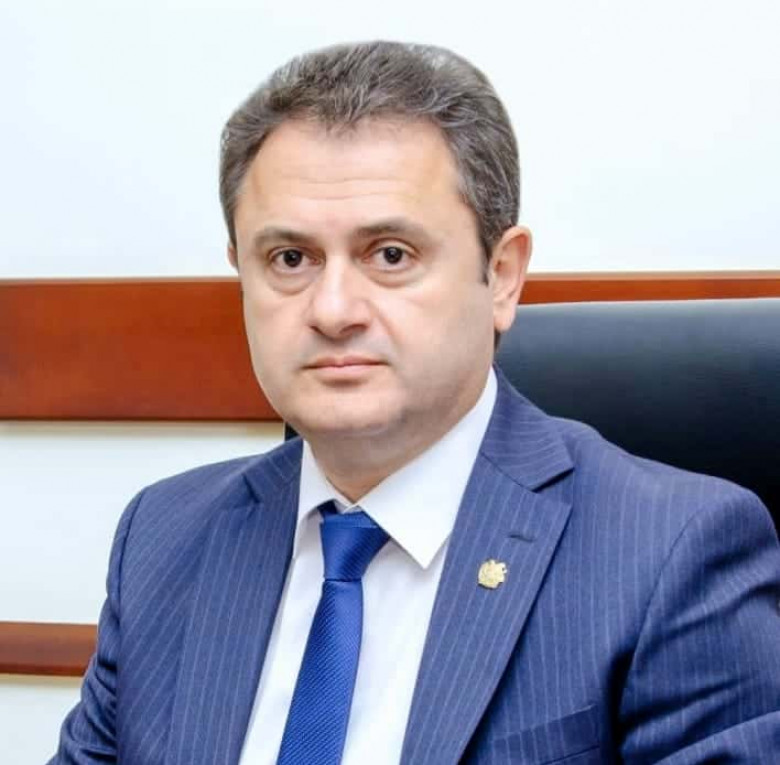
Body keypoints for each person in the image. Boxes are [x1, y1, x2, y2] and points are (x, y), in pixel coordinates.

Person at [50, 41, 780, 764]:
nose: (333, 310)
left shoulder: (671, 556)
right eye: (290, 259)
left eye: (390, 254)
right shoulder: (165, 535)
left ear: (502, 275)